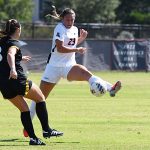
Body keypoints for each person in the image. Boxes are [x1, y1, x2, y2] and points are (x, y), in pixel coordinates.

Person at [24, 8, 121, 136]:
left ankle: (110, 89)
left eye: (72, 19)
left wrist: (80, 39)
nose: (70, 22)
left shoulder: (75, 29)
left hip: (69, 66)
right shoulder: (59, 28)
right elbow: (60, 48)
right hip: (53, 67)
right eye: (67, 19)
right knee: (39, 98)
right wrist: (76, 49)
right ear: (63, 18)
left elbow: (70, 43)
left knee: (86, 73)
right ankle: (27, 127)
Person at [0, 19, 63, 146]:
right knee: (40, 98)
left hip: (3, 83)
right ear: (18, 30)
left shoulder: (2, 41)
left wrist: (20, 58)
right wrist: (13, 68)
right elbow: (10, 55)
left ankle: (33, 138)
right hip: (16, 79)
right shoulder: (14, 42)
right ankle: (47, 130)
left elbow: (4, 55)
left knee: (24, 109)